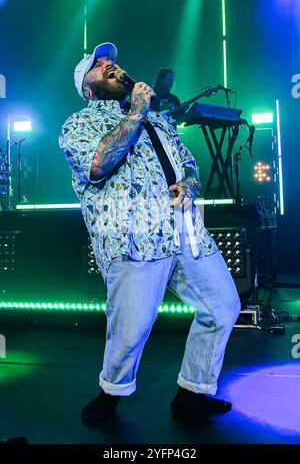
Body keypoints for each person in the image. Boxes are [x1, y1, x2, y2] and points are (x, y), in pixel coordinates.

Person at [58, 42, 241, 427]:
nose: (110, 65)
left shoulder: (160, 120)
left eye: (112, 61)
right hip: (133, 233)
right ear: (87, 88)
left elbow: (188, 163)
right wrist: (138, 112)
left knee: (223, 306)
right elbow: (97, 165)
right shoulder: (79, 123)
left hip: (185, 228)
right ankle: (111, 392)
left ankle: (193, 392)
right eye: (98, 65)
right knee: (131, 328)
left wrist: (189, 184)